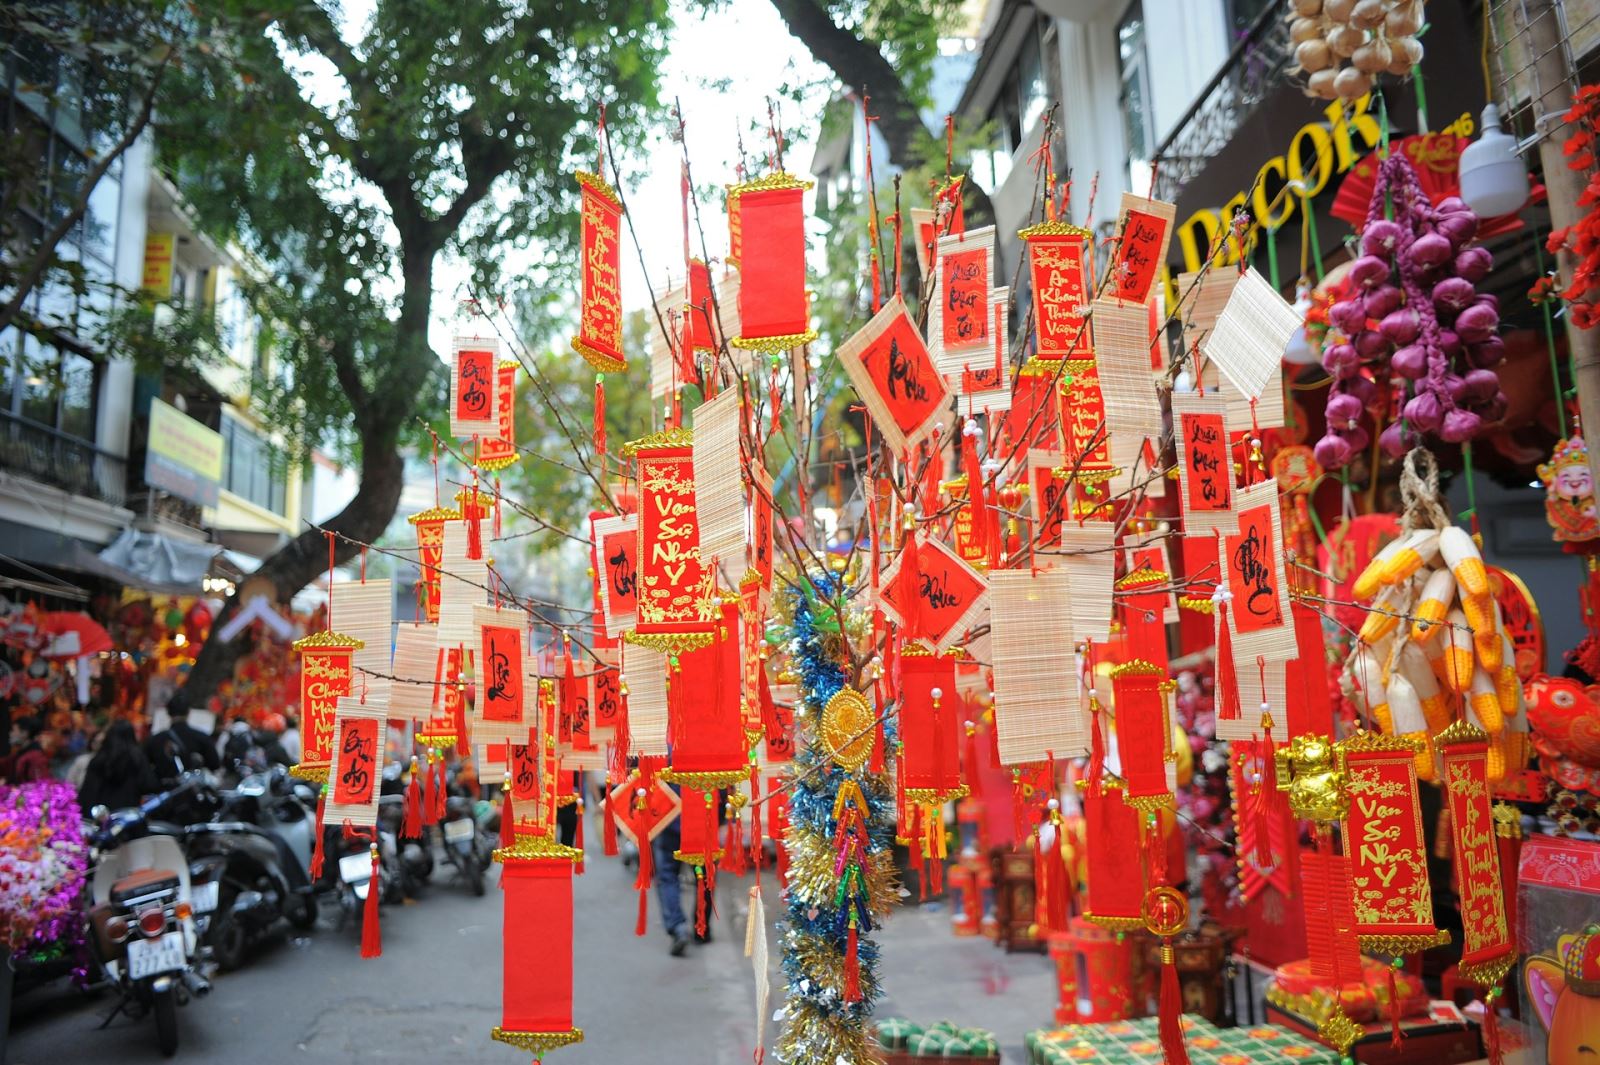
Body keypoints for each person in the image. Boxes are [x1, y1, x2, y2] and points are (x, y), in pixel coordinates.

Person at [653, 789, 718, 957]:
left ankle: (678, 927)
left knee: (667, 875)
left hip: (669, 816)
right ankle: (701, 928)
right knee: (705, 876)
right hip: (702, 816)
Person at [77, 721, 160, 815]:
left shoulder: (99, 758)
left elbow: (87, 791)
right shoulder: (137, 758)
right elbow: (149, 785)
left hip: (100, 814)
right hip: (128, 814)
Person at [144, 692, 220, 784]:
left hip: (163, 790)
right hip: (192, 789)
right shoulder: (202, 738)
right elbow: (215, 764)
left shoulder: (155, 740)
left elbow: (145, 767)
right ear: (188, 712)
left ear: (168, 713)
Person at [4, 716, 52, 783]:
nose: (10, 733)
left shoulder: (36, 757)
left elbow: (40, 785)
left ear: (24, 733)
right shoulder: (21, 753)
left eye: (13, 730)